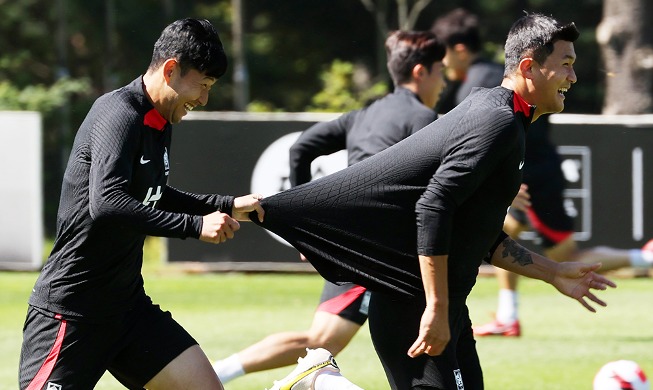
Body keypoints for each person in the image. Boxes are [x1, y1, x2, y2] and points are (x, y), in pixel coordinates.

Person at [253, 13, 616, 390]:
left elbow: (478, 234)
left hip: (446, 307)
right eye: (566, 66)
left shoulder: (508, 119)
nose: (573, 78)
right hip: (413, 304)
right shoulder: (498, 122)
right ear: (529, 67)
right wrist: (436, 308)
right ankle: (322, 384)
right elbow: (433, 205)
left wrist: (552, 272)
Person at [18, 18, 265, 390]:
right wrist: (195, 227)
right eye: (204, 85)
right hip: (70, 314)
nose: (203, 99)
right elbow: (108, 203)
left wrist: (226, 205)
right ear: (171, 70)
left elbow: (152, 194)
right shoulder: (118, 114)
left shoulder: (159, 119)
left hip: (127, 310)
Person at [213, 30, 446, 385]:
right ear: (420, 72)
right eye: (440, 72)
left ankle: (221, 375)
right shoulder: (425, 121)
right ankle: (215, 376)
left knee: (330, 341)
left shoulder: (363, 115)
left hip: (362, 246)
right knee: (321, 342)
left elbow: (300, 149)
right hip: (375, 252)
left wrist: (310, 221)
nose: (443, 83)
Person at [430, 7, 652, 338]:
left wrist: (502, 179)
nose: (443, 63)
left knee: (564, 255)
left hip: (532, 176)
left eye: (444, 54)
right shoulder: (493, 74)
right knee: (500, 230)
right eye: (566, 66)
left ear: (459, 50)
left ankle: (645, 259)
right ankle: (508, 314)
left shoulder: (479, 85)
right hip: (526, 171)